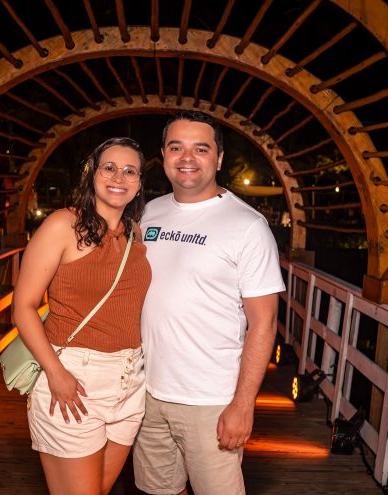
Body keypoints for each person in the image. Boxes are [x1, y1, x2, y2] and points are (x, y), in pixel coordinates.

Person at [133, 111, 286, 495]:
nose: (187, 157)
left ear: (218, 159)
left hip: (211, 401)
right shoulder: (149, 213)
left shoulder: (247, 226)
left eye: (200, 149)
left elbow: (264, 323)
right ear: (163, 157)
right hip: (146, 393)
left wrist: (243, 405)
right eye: (176, 147)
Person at [12, 137, 151, 495]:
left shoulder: (135, 234)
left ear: (139, 184)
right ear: (92, 174)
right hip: (74, 378)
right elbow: (23, 306)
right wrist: (56, 373)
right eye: (109, 167)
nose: (118, 177)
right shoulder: (63, 225)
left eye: (130, 171)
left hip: (130, 380)